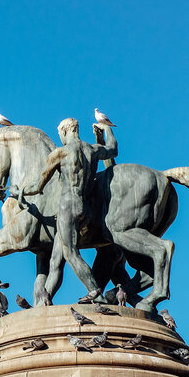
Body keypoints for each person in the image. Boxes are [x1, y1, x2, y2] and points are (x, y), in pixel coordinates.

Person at [20, 117, 117, 301]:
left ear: (64, 132)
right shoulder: (92, 150)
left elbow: (38, 186)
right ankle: (43, 301)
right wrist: (107, 129)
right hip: (85, 208)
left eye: (60, 135)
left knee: (70, 253)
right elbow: (113, 150)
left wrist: (20, 191)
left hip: (67, 207)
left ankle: (95, 292)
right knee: (56, 259)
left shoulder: (60, 153)